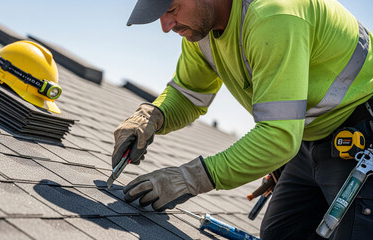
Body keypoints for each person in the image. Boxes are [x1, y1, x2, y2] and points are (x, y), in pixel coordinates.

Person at [112, 0, 373, 239]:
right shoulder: (200, 31)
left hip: (361, 141)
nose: (166, 26)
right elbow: (188, 94)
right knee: (280, 234)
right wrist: (150, 117)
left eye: (171, 9)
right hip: (307, 140)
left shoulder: (272, 15)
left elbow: (278, 137)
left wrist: (189, 178)